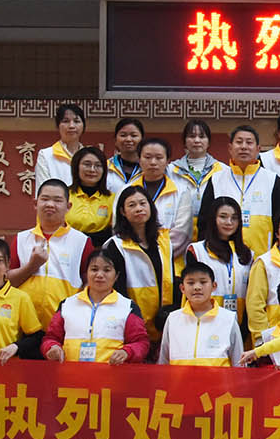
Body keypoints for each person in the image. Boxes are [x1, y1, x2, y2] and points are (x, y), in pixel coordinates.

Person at [42, 250, 148, 439]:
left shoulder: (127, 307)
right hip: (73, 396)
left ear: (116, 275)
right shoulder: (68, 305)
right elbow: (50, 337)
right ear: (86, 273)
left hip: (112, 397)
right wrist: (52, 349)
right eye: (94, 269)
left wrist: (128, 352)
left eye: (106, 270)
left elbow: (142, 342)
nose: (99, 275)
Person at [195, 124, 280, 257]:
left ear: (258, 149)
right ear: (230, 148)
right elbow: (204, 223)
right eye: (239, 142)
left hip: (263, 258)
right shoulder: (216, 179)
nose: (244, 147)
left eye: (249, 143)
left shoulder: (273, 181)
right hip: (221, 258)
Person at [9, 179, 92, 324]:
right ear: (35, 203)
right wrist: (32, 266)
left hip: (65, 323)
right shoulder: (21, 239)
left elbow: (90, 282)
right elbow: (7, 282)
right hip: (24, 323)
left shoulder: (81, 241)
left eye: (57, 200)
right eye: (45, 199)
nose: (50, 204)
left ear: (68, 206)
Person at [101, 185, 172, 323]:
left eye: (143, 203)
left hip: (163, 322)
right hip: (131, 322)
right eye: (132, 205)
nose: (139, 208)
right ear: (122, 211)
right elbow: (116, 289)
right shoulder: (115, 245)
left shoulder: (164, 241)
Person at [155, 262, 245, 368]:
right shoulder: (173, 319)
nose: (197, 287)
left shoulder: (228, 319)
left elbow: (239, 363)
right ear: (182, 288)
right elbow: (164, 361)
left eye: (203, 282)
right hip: (179, 379)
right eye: (191, 283)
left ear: (214, 286)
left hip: (219, 379)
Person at [185, 197, 253, 335]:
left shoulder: (247, 254)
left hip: (240, 322)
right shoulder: (197, 250)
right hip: (205, 321)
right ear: (213, 219)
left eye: (234, 218)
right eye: (223, 217)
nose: (229, 222)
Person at [116, 137, 193, 257]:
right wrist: (138, 253)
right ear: (139, 159)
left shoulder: (182, 191)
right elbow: (118, 226)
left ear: (168, 161)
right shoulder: (125, 190)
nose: (153, 162)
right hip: (131, 256)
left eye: (159, 157)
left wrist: (155, 255)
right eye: (147, 157)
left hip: (170, 260)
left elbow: (182, 233)